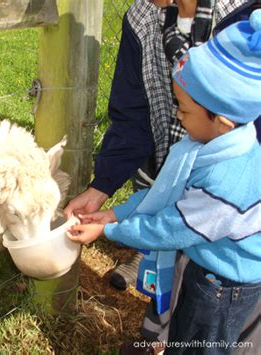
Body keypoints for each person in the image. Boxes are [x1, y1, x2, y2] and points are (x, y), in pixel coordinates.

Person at [64, 0, 261, 350]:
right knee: (187, 327)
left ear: (222, 120)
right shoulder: (209, 144)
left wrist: (110, 229)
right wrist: (112, 207)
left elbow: (172, 224)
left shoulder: (225, 179)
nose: (178, 117)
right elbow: (166, 192)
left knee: (205, 342)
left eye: (183, 109)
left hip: (223, 285)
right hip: (204, 262)